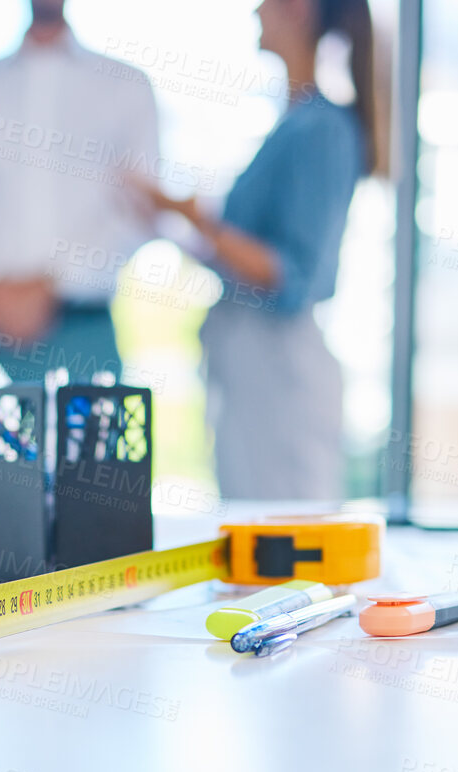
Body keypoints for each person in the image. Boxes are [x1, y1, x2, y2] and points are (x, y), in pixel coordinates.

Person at [140, 0, 383, 500]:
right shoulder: (292, 124)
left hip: (280, 366)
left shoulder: (321, 131)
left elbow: (289, 276)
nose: (254, 10)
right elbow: (246, 257)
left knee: (286, 539)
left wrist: (195, 218)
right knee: (254, 531)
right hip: (252, 360)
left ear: (298, 8)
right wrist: (174, 224)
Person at [0, 0, 160, 384]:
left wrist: (51, 284)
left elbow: (143, 212)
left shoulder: (127, 85)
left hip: (84, 334)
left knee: (91, 443)